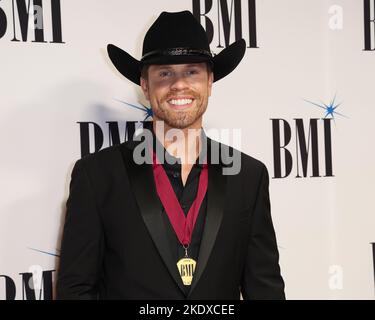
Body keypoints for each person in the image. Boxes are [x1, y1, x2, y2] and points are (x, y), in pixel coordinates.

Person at [56, 10, 285, 300]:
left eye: (192, 71)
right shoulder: (98, 175)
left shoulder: (248, 176)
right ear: (145, 85)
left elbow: (265, 289)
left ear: (210, 81)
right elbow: (75, 291)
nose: (179, 84)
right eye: (165, 73)